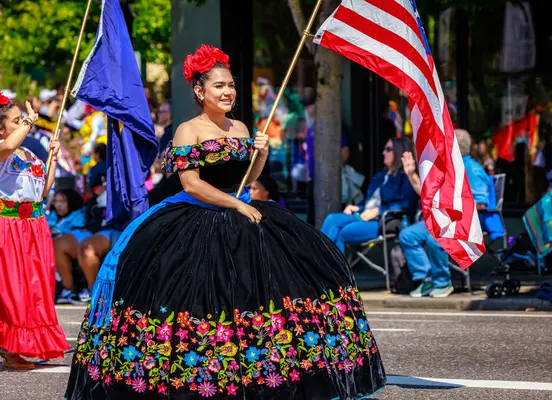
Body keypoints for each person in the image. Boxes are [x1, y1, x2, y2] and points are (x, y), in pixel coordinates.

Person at [65, 44, 385, 399]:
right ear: (200, 92)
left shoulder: (241, 126)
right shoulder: (188, 130)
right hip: (199, 216)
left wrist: (260, 154)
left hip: (243, 208)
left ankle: (269, 374)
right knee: (199, 298)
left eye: (230, 85)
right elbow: (192, 183)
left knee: (272, 292)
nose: (227, 91)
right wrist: (235, 205)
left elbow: (248, 178)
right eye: (219, 86)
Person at [0, 92, 70, 369]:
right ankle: (10, 350)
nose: (23, 123)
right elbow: (9, 145)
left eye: (23, 119)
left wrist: (53, 159)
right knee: (12, 290)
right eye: (16, 120)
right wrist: (30, 123)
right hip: (6, 227)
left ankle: (23, 347)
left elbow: (42, 191)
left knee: (35, 290)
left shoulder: (30, 154)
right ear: (0, 128)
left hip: (33, 227)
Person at [399, 129, 498, 298]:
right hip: (444, 218)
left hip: (466, 222)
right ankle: (427, 278)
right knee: (408, 235)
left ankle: (442, 282)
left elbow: (481, 203)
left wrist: (449, 204)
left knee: (434, 238)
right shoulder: (449, 168)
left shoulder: (471, 169)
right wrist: (411, 175)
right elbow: (428, 196)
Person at [320, 136, 418, 253]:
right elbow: (369, 202)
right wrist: (357, 207)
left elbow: (405, 204)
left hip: (384, 221)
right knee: (332, 219)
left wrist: (378, 211)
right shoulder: (380, 176)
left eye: (388, 149)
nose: (383, 152)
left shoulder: (405, 177)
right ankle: (320, 264)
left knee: (343, 231)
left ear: (398, 151)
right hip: (363, 215)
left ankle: (329, 268)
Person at [46, 188, 91, 304]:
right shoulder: (52, 216)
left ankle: (68, 289)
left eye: (63, 201)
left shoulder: (79, 216)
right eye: (56, 201)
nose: (58, 205)